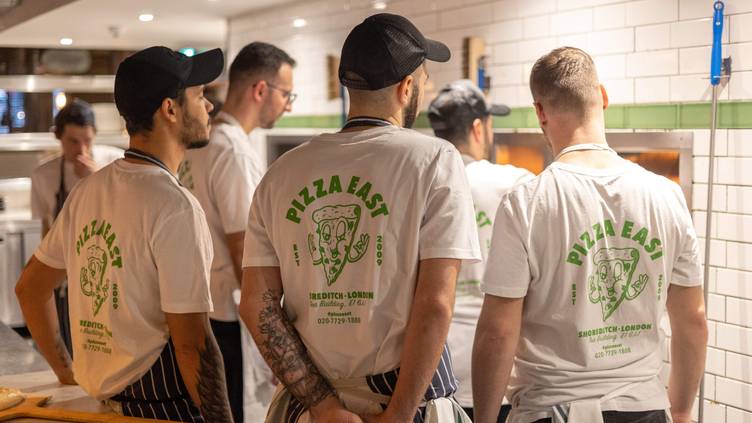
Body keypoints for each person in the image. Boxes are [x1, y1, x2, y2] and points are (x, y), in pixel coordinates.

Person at [238, 13, 481, 423]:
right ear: (407, 88)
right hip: (405, 405)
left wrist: (324, 407)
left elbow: (256, 304)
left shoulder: (281, 172)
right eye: (423, 80)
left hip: (310, 409)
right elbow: (436, 304)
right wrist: (399, 414)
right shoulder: (435, 160)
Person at [472, 47, 707, 423]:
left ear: (540, 112)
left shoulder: (526, 203)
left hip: (552, 411)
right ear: (603, 96)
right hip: (644, 408)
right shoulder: (667, 195)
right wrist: (679, 411)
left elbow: (497, 333)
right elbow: (692, 320)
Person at [15, 46, 233, 422]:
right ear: (170, 109)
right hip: (161, 408)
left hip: (103, 403)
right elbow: (193, 345)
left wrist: (67, 373)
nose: (209, 106)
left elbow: (30, 289)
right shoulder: (175, 205)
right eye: (200, 95)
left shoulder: (88, 190)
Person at [179, 41, 296, 423]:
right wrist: (274, 343)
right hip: (231, 317)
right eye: (286, 94)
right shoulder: (234, 151)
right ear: (261, 90)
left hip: (200, 306)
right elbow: (245, 249)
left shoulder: (200, 143)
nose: (288, 106)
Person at [427, 79, 534, 422]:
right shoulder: (514, 183)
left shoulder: (422, 181)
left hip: (435, 364)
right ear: (478, 127)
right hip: (500, 366)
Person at [29, 99, 123, 356]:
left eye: (88, 140)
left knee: (110, 349)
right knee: (74, 347)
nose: (82, 149)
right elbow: (46, 229)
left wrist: (98, 178)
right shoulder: (43, 176)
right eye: (73, 141)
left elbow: (128, 214)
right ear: (58, 136)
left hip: (110, 273)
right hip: (66, 278)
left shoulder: (115, 162)